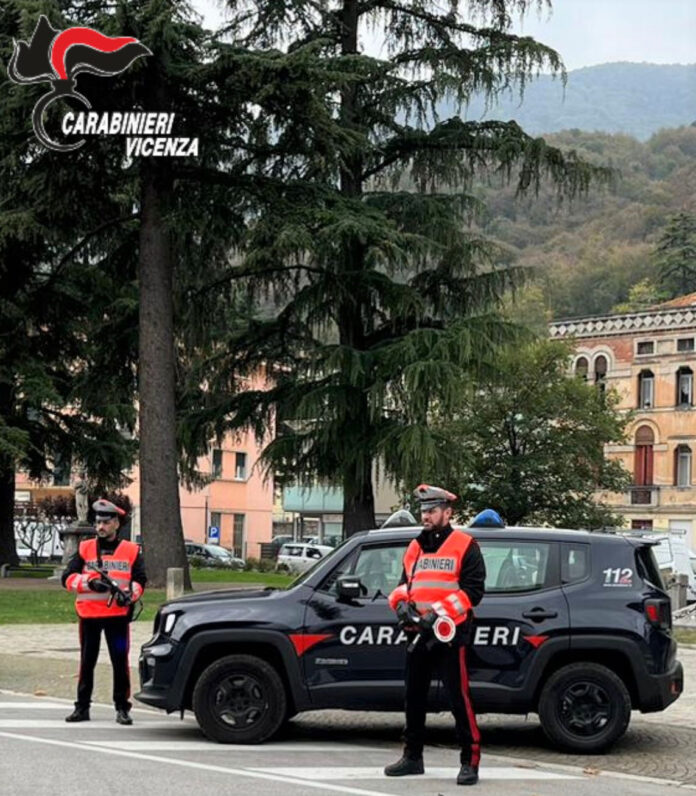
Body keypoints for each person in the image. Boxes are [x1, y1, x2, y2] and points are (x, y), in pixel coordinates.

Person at [385, 484, 486, 786]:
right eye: (423, 511)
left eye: (431, 511)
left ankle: (470, 761)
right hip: (418, 633)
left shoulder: (465, 544)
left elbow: (473, 592)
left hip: (449, 634)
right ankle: (412, 757)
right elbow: (406, 584)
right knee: (413, 696)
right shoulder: (415, 546)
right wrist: (401, 605)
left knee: (459, 698)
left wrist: (437, 613)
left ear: (447, 512)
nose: (426, 516)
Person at [62, 498, 146, 725]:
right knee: (86, 662)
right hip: (89, 616)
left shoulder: (131, 550)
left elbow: (140, 580)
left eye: (106, 522)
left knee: (120, 662)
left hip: (117, 617)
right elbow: (67, 578)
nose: (100, 527)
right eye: (98, 522)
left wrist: (129, 594)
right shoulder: (84, 548)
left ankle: (122, 708)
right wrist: (89, 583)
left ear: (116, 524)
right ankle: (82, 707)